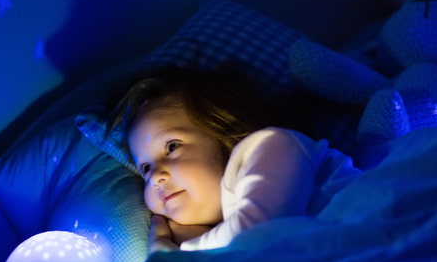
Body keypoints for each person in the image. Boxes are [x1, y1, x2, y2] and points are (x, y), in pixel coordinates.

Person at [111, 65, 360, 252]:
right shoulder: (223, 223)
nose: (155, 176)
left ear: (224, 129)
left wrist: (173, 245)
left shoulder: (273, 145)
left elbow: (257, 241)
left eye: (172, 146)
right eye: (144, 167)